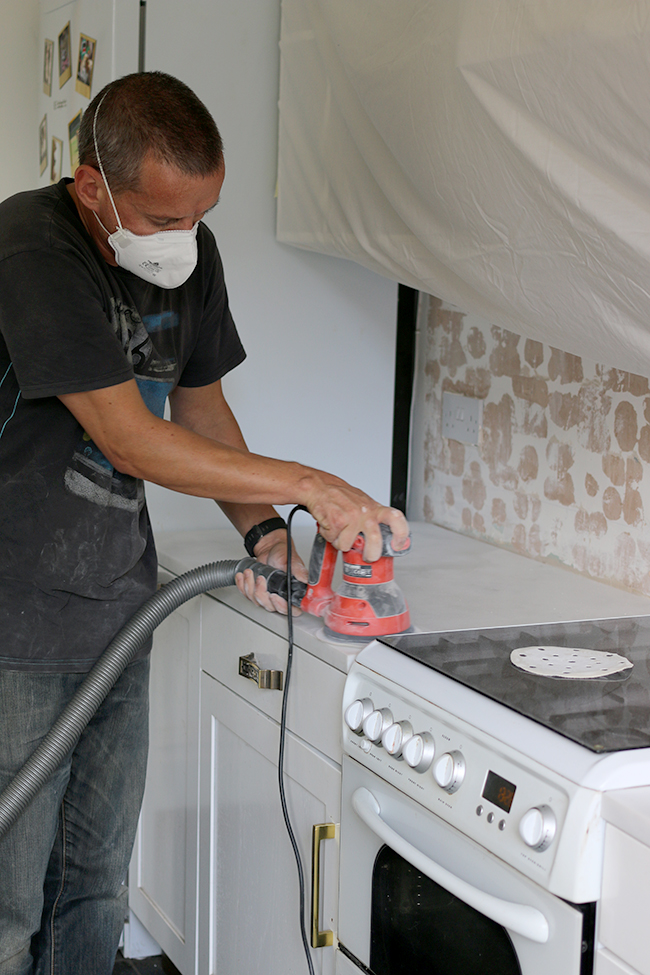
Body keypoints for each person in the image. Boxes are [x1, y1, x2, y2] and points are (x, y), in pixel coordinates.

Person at [0, 72, 408, 974]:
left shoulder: (189, 252)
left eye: (201, 215)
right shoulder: (30, 245)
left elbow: (200, 407)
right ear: (92, 189)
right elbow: (130, 436)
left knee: (94, 880)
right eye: (161, 218)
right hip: (14, 619)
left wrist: (265, 530)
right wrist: (314, 483)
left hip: (115, 607)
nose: (185, 240)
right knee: (7, 902)